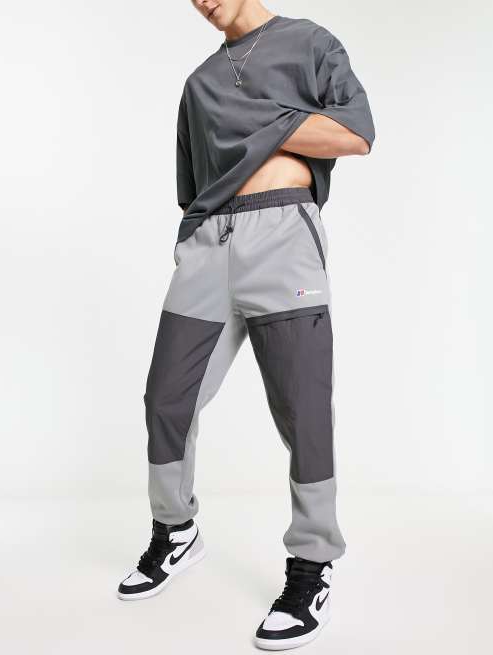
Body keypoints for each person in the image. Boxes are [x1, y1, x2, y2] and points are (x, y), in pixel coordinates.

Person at [117, 0, 375, 650]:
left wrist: (267, 123)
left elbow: (355, 132)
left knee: (302, 409)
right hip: (210, 242)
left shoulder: (309, 42)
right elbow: (192, 184)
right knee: (166, 399)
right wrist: (196, 239)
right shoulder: (198, 84)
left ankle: (311, 562)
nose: (202, 1)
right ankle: (175, 529)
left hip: (283, 233)